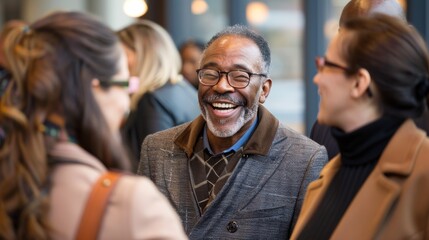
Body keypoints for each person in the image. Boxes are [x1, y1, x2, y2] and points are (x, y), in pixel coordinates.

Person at [0, 11, 186, 239]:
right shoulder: (132, 203)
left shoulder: (13, 176)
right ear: (94, 89)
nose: (127, 101)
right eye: (126, 83)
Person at [138, 24, 328, 239]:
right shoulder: (156, 149)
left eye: (240, 76)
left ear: (264, 90)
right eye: (210, 74)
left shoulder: (304, 160)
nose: (221, 87)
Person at [291, 14, 429, 239]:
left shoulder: (423, 174)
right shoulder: (330, 173)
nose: (317, 79)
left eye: (326, 65)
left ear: (359, 82)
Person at [309, 0, 429, 160]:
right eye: (349, 39)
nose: (362, 51)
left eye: (377, 37)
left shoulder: (422, 125)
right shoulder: (326, 127)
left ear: (407, 34)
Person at [118, 20, 200, 162]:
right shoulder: (185, 90)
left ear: (143, 55)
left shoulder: (151, 100)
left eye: (122, 53)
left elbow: (156, 168)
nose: (118, 61)